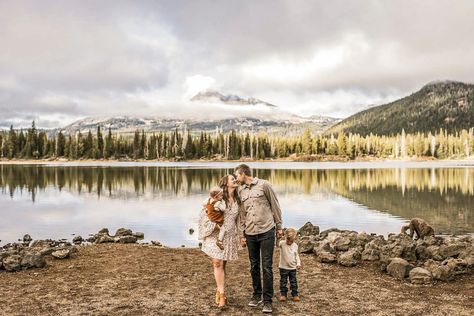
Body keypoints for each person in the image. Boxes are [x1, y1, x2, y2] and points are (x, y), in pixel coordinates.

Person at [235, 164, 283, 314]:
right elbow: (242, 214)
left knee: (266, 266)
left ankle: (267, 301)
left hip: (267, 230)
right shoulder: (240, 191)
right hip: (250, 232)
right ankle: (257, 294)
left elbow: (275, 205)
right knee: (254, 265)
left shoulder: (264, 185)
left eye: (237, 175)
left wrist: (279, 226)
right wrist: (242, 234)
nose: (236, 178)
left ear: (243, 174)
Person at [199, 174, 241, 309]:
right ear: (226, 183)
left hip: (228, 235)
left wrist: (241, 235)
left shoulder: (238, 199)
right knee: (217, 262)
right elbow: (203, 214)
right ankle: (222, 295)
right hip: (214, 233)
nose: (235, 180)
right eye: (232, 179)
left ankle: (219, 289)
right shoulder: (214, 198)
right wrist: (212, 223)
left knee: (223, 264)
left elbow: (239, 220)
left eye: (236, 178)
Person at [278, 228, 301, 302]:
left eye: (291, 241)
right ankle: (283, 294)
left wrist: (298, 263)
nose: (290, 242)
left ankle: (295, 294)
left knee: (293, 281)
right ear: (285, 238)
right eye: (288, 240)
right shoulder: (282, 243)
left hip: (292, 268)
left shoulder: (295, 245)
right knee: (283, 282)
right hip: (283, 267)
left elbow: (296, 255)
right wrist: (279, 236)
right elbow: (277, 243)